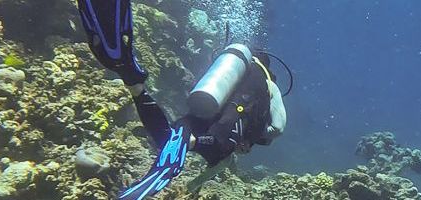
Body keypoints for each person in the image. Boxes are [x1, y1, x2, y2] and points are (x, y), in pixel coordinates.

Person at [75, 0, 288, 199]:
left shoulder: (229, 71)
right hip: (229, 121)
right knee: (212, 146)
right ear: (267, 64)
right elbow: (278, 127)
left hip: (202, 108)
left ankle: (137, 88)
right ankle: (189, 140)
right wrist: (253, 138)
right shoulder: (267, 81)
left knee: (171, 137)